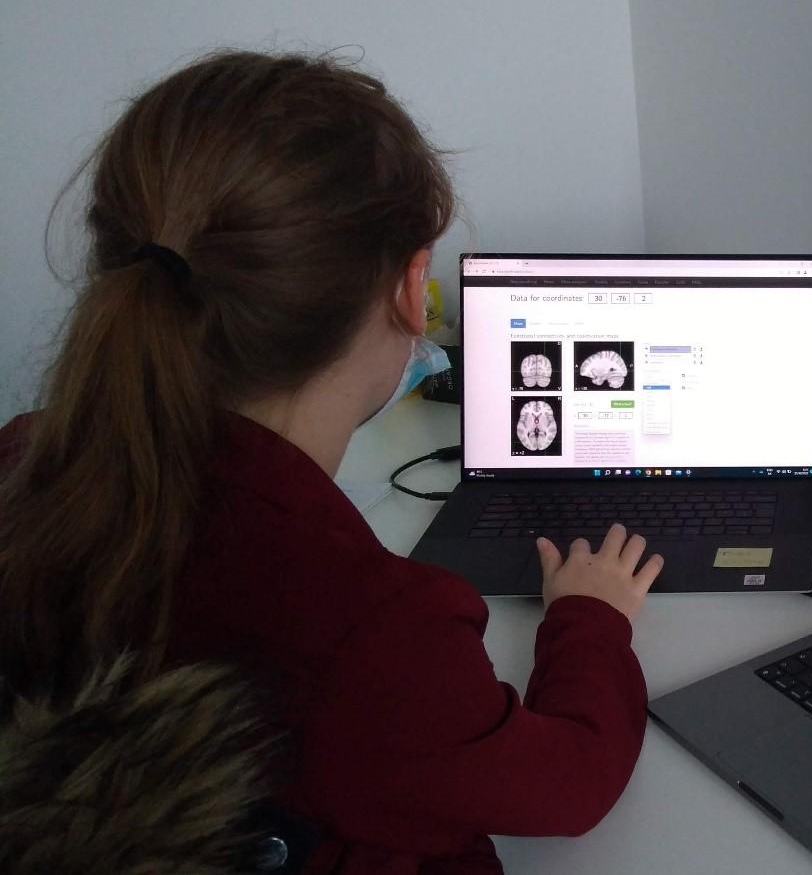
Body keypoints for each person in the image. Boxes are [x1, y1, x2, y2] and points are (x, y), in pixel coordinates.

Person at [0, 51, 663, 873]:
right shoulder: (372, 630)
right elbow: (567, 784)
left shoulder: (26, 462)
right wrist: (591, 618)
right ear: (409, 291)